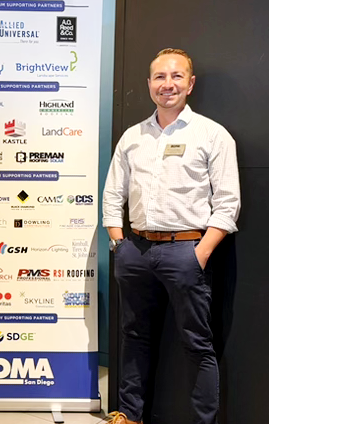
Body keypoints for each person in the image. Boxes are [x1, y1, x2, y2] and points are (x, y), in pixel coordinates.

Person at [103, 48, 240, 424]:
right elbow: (113, 195)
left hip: (186, 251)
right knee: (134, 337)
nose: (168, 84)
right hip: (135, 251)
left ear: (190, 84)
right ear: (149, 84)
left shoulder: (212, 135)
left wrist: (200, 253)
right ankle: (130, 415)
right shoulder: (132, 137)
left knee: (196, 343)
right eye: (160, 77)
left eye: (176, 76)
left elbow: (228, 203)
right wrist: (118, 243)